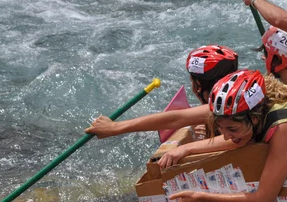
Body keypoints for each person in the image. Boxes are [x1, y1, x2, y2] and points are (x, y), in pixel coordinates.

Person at [157, 69, 287, 202]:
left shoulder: (283, 129)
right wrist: (187, 149)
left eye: (232, 129)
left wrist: (200, 198)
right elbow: (240, 138)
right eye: (221, 128)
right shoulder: (263, 100)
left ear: (253, 120)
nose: (226, 136)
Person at [85, 45, 238, 139]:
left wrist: (115, 128)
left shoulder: (223, 107)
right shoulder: (240, 93)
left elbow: (175, 119)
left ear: (198, 85)